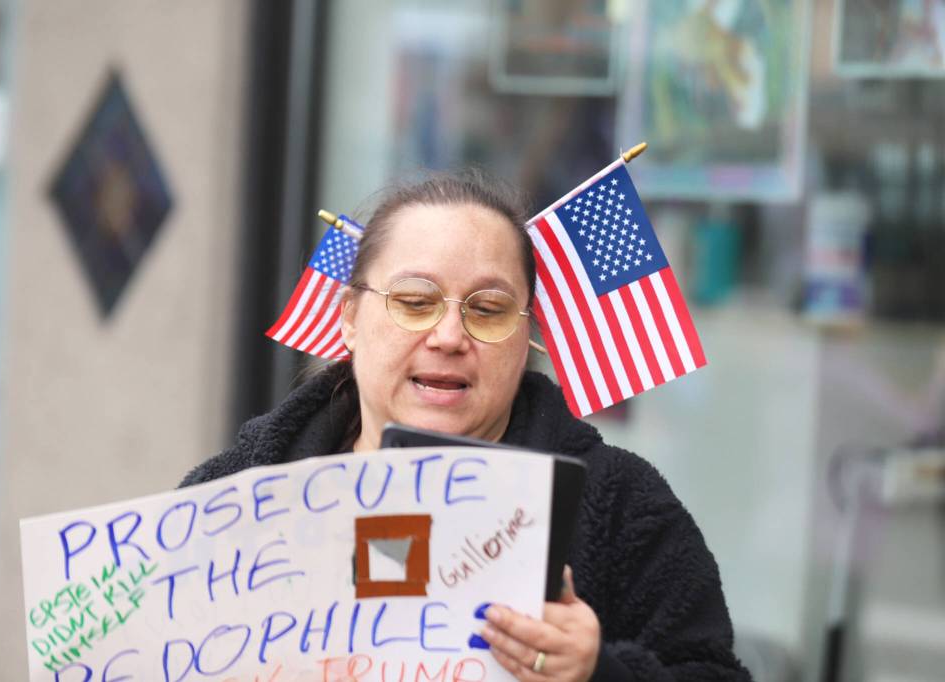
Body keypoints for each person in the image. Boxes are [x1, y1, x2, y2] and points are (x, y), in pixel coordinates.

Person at [181, 170, 749, 681]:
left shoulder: (623, 507)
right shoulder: (235, 492)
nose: (450, 336)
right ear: (350, 319)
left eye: (488, 309)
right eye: (414, 301)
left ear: (526, 335)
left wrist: (600, 672)